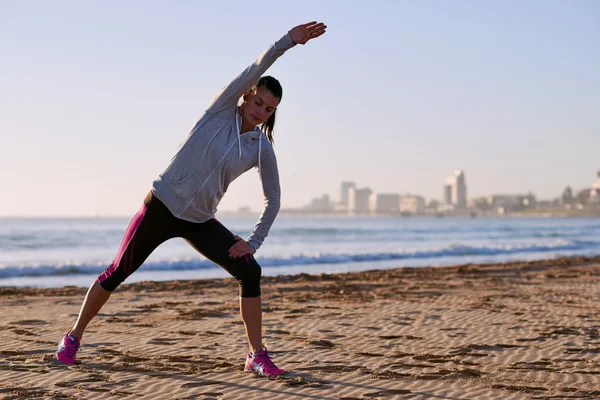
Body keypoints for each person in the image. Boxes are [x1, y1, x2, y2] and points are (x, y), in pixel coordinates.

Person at [55, 21, 327, 378]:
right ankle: (73, 337)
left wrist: (253, 242)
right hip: (162, 205)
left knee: (250, 271)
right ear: (247, 95)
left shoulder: (260, 149)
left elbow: (273, 200)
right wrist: (287, 42)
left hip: (199, 221)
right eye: (258, 101)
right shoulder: (220, 109)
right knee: (118, 270)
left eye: (269, 109)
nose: (261, 111)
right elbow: (257, 66)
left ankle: (256, 355)